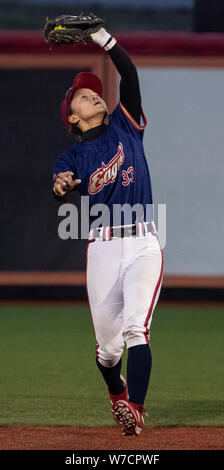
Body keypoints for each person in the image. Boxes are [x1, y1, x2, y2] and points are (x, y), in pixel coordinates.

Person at [53, 26, 163, 436]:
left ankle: (134, 408)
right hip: (101, 248)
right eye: (84, 95)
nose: (94, 94)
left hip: (143, 243)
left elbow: (129, 76)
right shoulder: (74, 154)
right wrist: (62, 185)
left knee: (137, 326)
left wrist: (102, 37)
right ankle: (117, 392)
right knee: (107, 349)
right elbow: (61, 183)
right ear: (73, 116)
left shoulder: (125, 123)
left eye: (95, 91)